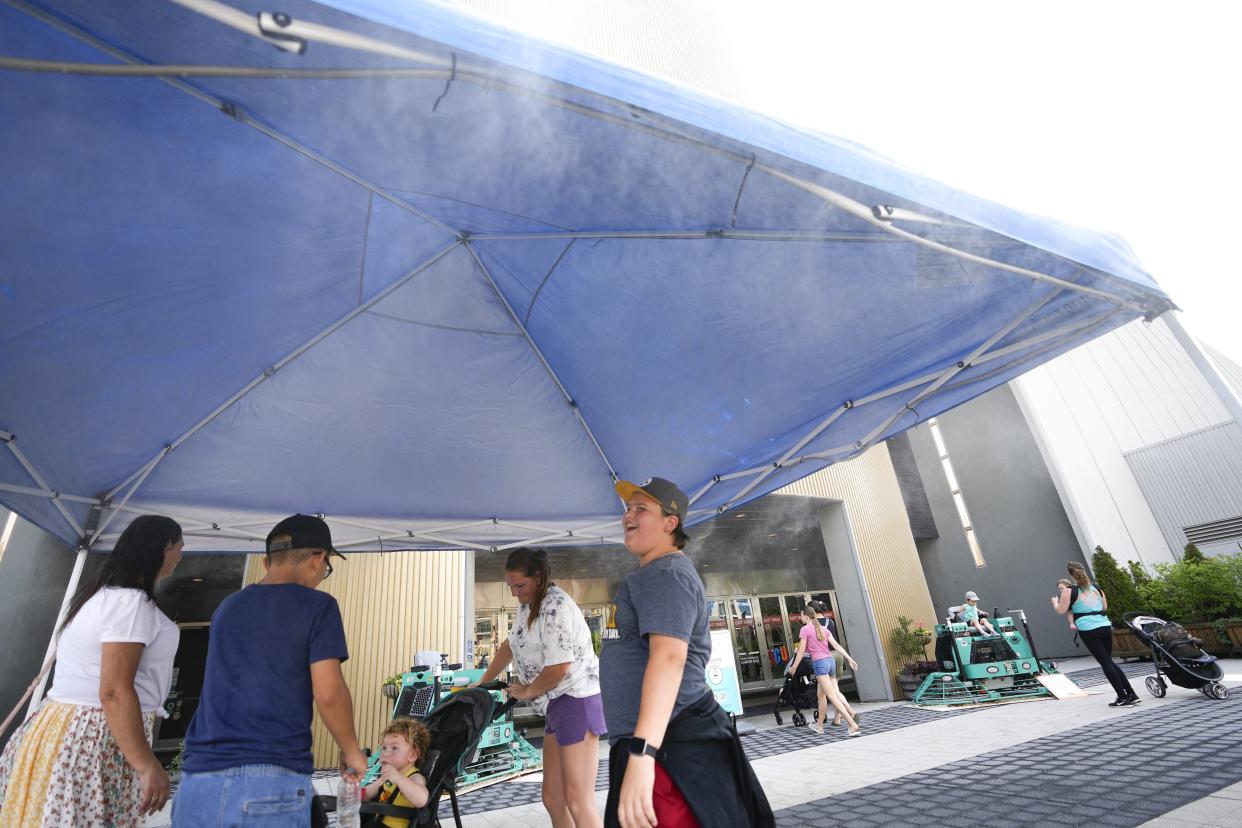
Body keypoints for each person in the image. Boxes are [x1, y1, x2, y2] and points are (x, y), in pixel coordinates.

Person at [172, 514, 369, 826]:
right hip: (270, 778)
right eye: (327, 568)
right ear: (318, 559)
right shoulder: (318, 606)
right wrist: (351, 749)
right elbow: (328, 691)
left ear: (266, 563)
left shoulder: (228, 607)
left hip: (198, 781)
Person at [600, 477, 772, 828]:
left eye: (641, 508)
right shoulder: (652, 573)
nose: (628, 515)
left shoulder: (666, 573)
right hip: (660, 740)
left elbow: (669, 659)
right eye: (628, 508)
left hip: (670, 744)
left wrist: (643, 752)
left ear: (670, 522)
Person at [0, 515, 184, 827]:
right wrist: (145, 763)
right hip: (95, 734)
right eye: (180, 547)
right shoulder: (129, 602)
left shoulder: (100, 596)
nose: (181, 555)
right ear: (164, 548)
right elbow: (113, 690)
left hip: (65, 728)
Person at [476, 547, 604, 828]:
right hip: (556, 705)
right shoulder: (528, 606)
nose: (514, 592)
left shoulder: (555, 606)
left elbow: (559, 667)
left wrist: (527, 691)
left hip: (576, 700)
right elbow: (509, 645)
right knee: (553, 798)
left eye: (519, 585)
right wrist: (482, 682)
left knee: (578, 800)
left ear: (538, 577)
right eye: (510, 586)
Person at [1052, 561, 1139, 707]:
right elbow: (1104, 606)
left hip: (1088, 629)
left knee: (1105, 663)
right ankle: (1131, 694)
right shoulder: (1096, 587)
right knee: (1109, 661)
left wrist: (1055, 602)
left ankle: (1122, 697)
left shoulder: (1069, 591)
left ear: (1070, 575)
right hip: (1104, 625)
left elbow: (1061, 610)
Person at [785, 606, 860, 736]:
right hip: (830, 662)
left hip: (820, 664)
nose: (800, 618)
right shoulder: (823, 629)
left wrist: (793, 667)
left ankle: (852, 724)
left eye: (801, 615)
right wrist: (850, 659)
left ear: (807, 616)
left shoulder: (805, 629)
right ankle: (819, 725)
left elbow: (801, 651)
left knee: (832, 696)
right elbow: (836, 645)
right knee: (821, 696)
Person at [363, 717, 431, 828]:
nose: (385, 753)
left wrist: (398, 778)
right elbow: (366, 793)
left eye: (394, 748)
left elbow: (421, 799)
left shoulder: (414, 777)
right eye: (384, 748)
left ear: (412, 755)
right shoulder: (385, 777)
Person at [811, 601, 860, 728]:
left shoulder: (813, 625)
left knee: (832, 692)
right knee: (835, 688)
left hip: (826, 657)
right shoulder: (830, 621)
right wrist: (849, 658)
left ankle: (850, 711)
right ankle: (837, 718)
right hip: (837, 655)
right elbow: (836, 643)